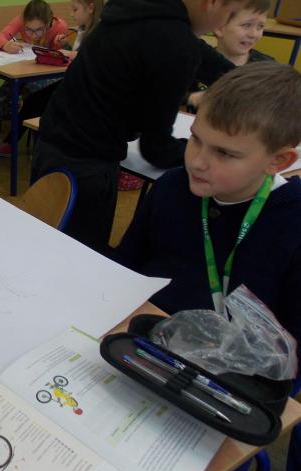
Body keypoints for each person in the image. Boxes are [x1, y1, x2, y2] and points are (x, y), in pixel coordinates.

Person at [32, 0, 265, 253]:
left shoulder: (140, 1)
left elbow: (192, 49)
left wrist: (248, 82)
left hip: (51, 144)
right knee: (78, 255)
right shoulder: (175, 42)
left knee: (46, 242)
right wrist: (211, 154)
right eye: (231, 14)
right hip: (87, 168)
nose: (221, 25)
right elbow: (157, 149)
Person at [114, 62, 301, 353]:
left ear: (277, 161)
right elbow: (124, 268)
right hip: (141, 338)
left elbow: (292, 351)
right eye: (195, 139)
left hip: (231, 368)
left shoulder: (292, 223)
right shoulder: (171, 187)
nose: (197, 162)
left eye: (224, 153)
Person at [0, 0, 105, 159]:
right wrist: (65, 50)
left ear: (91, 8)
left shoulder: (100, 31)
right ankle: (10, 144)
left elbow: (91, 59)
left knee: (38, 100)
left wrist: (65, 50)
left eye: (75, 9)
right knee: (29, 98)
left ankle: (28, 146)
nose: (71, 14)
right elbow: (75, 58)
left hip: (83, 89)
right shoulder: (83, 29)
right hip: (72, 81)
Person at [0, 0, 69, 156]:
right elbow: (0, 37)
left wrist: (62, 45)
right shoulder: (20, 20)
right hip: (26, 69)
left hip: (47, 77)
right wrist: (6, 45)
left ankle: (14, 141)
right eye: (28, 30)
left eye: (38, 30)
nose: (32, 35)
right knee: (3, 93)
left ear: (48, 23)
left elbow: (63, 58)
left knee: (33, 95)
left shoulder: (60, 27)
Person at [186, 0, 274, 110]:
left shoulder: (268, 69)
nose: (254, 34)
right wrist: (191, 98)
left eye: (260, 26)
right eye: (247, 25)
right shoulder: (195, 62)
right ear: (219, 28)